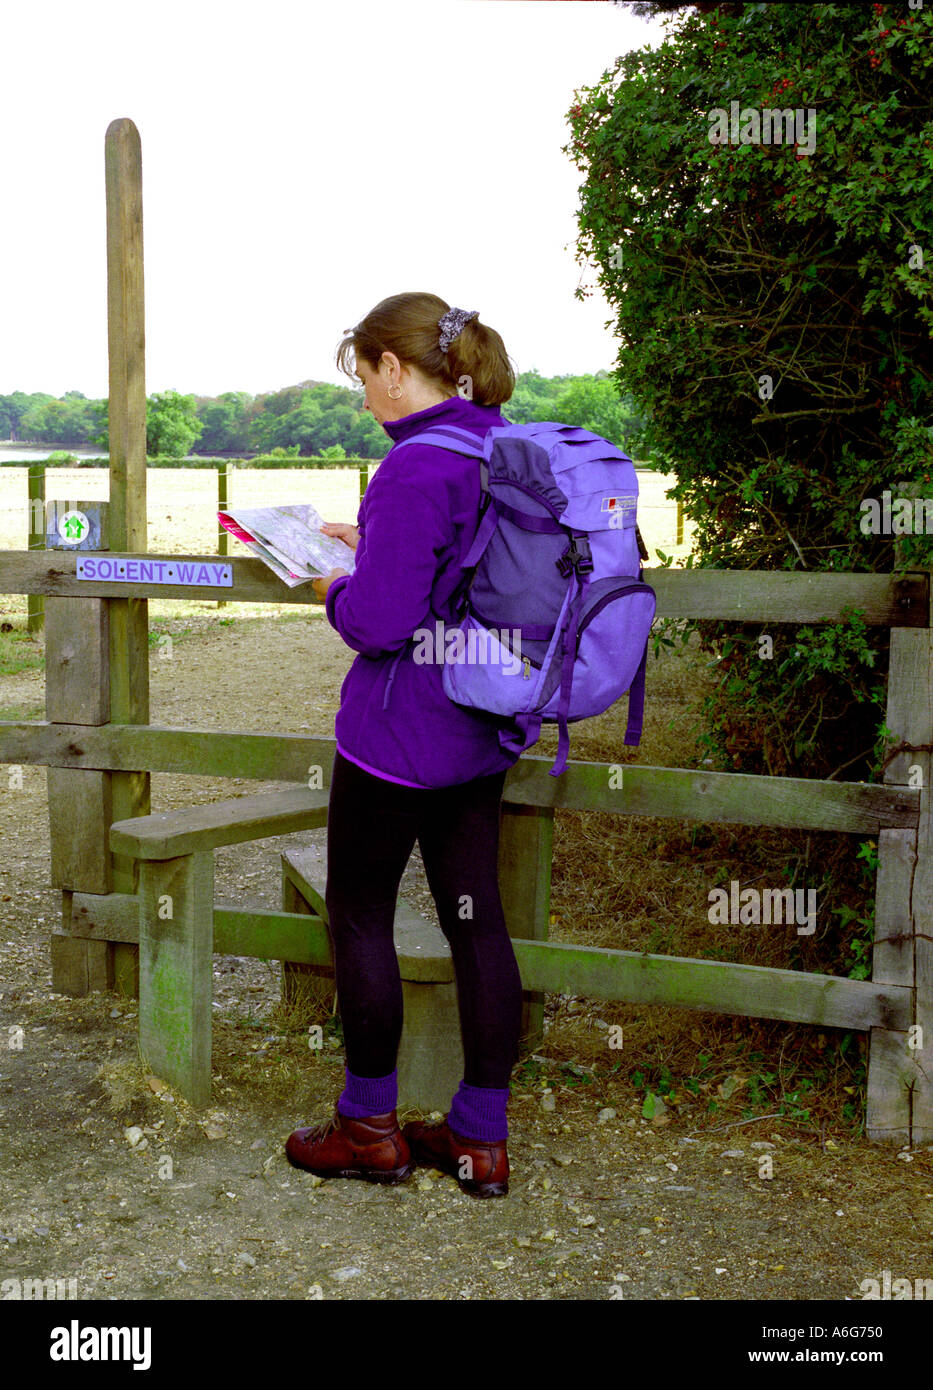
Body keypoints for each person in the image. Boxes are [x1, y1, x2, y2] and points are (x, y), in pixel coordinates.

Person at [284, 293, 525, 1198]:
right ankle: (479, 1141)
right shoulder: (495, 445)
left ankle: (369, 1129)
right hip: (481, 728)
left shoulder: (414, 467)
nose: (363, 397)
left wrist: (331, 589)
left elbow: (382, 620)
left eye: (363, 376)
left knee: (359, 918)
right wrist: (371, 540)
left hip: (396, 737)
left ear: (394, 366)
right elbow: (453, 564)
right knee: (478, 925)